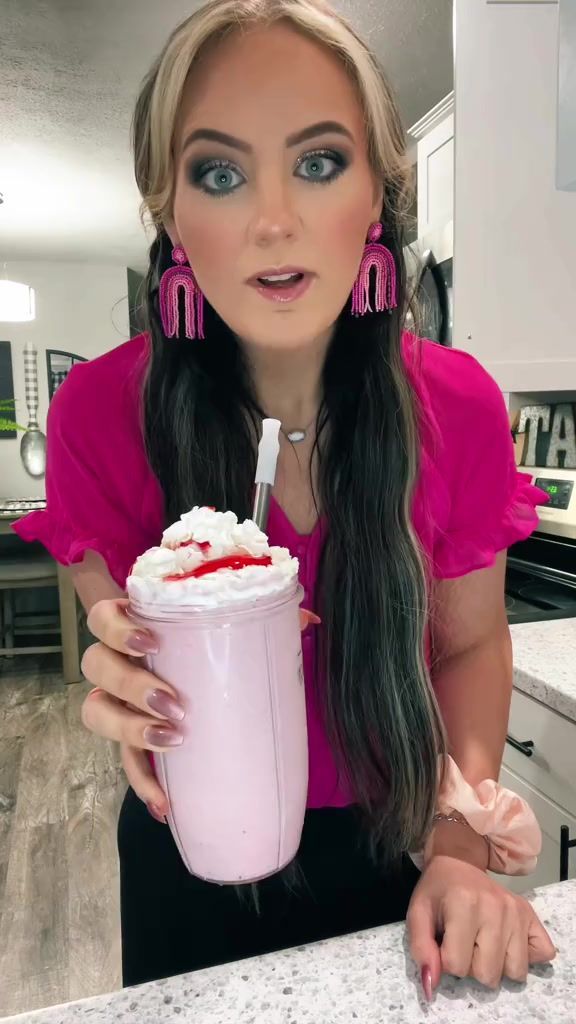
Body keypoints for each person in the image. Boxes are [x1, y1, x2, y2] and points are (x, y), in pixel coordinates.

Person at [14, 0, 556, 998]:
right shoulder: (101, 413)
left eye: (318, 163)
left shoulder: (458, 406)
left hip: (402, 852)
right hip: (193, 859)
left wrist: (458, 845)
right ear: (170, 212)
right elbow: (118, 642)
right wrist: (120, 671)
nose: (273, 221)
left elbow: (474, 641)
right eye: (219, 173)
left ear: (380, 198)